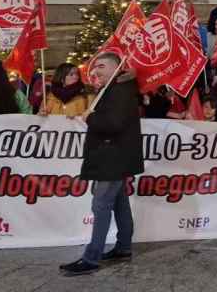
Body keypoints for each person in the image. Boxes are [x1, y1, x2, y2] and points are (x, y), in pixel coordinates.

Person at [60, 52, 143, 276]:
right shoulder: (113, 89)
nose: (96, 70)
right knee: (119, 203)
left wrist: (90, 118)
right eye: (96, 66)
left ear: (116, 68)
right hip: (114, 157)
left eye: (102, 66)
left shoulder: (119, 91)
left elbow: (113, 123)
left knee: (101, 205)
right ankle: (123, 247)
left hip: (112, 158)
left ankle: (91, 257)